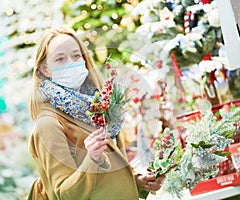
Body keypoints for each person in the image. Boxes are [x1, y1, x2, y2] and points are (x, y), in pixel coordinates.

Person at [27, 26, 163, 200]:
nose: (71, 63)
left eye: (76, 55)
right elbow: (64, 195)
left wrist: (138, 181)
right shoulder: (48, 124)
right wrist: (92, 159)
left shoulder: (99, 107)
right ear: (45, 69)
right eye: (60, 59)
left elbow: (109, 180)